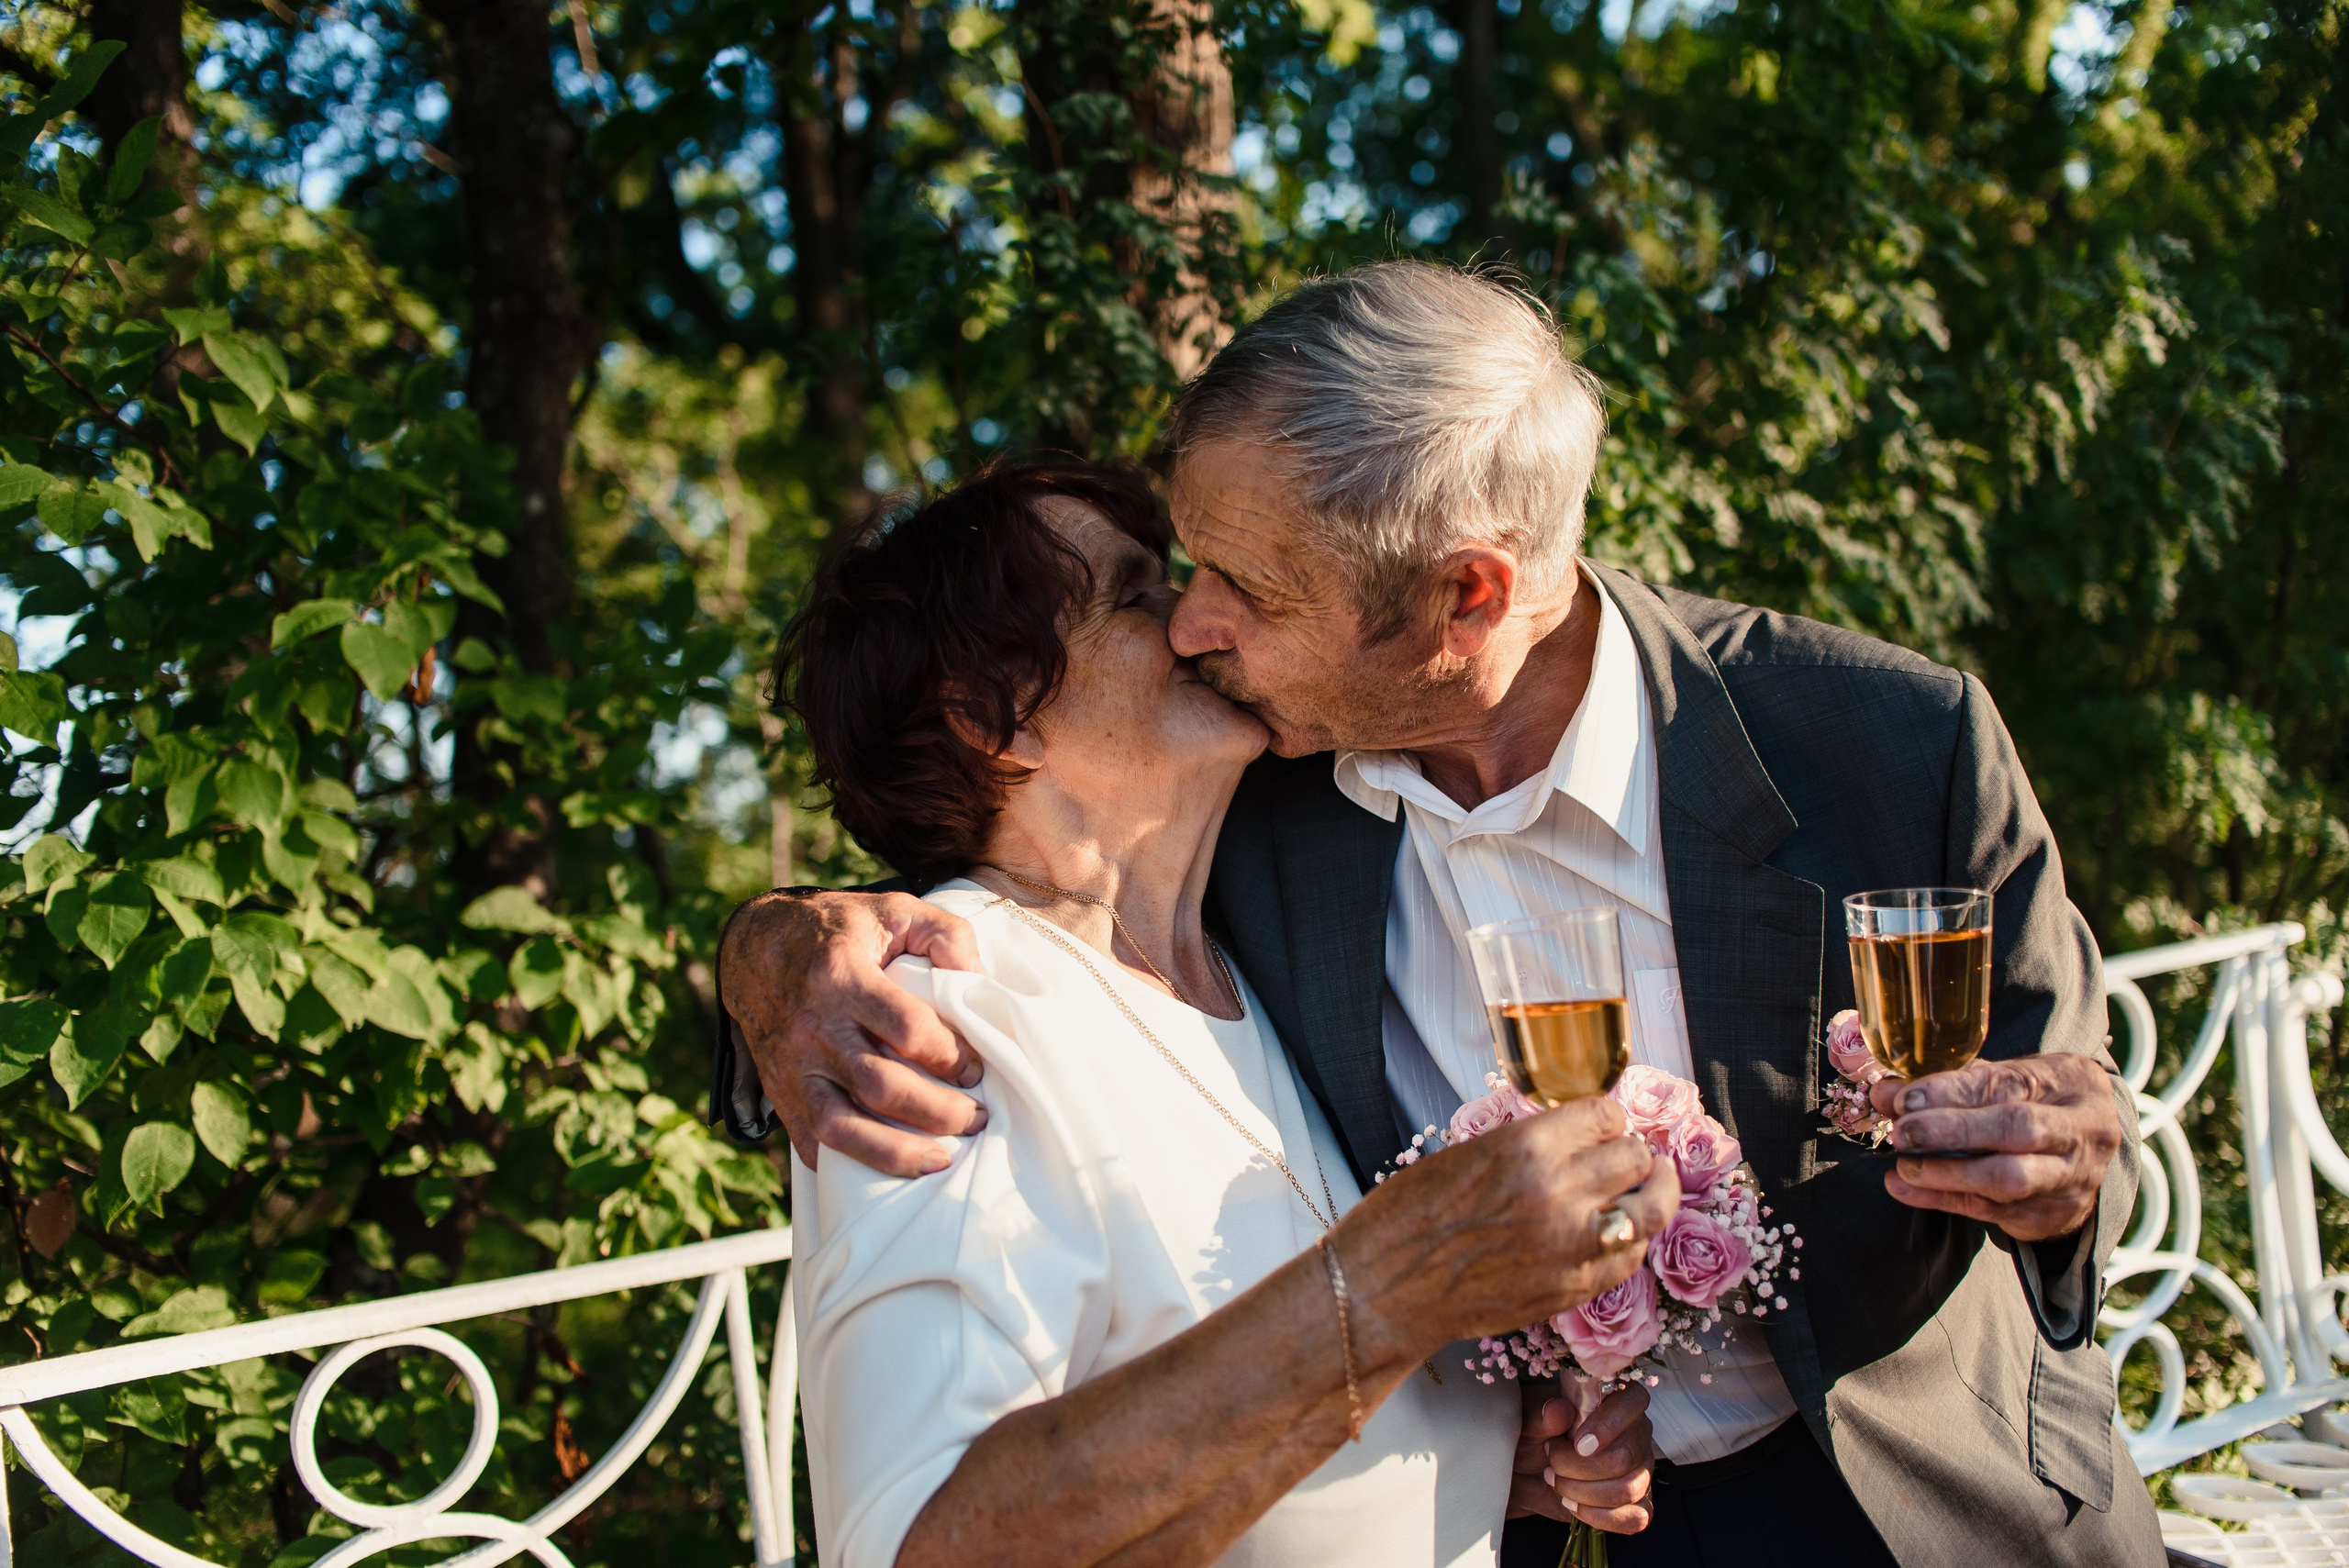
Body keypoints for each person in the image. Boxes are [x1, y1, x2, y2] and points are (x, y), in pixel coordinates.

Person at [719, 262, 2166, 1567]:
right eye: (1177, 573)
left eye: (1243, 586)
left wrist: (2072, 1164)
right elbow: (998, 910)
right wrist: (769, 957)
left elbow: (2071, 1123)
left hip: (1918, 1505)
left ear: (1467, 596)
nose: (1196, 627)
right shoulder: (1259, 786)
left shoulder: (1888, 743)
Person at [764, 456, 1682, 1568]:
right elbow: (924, 1541)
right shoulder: (937, 1018)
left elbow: (1271, 1392)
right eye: (1139, 595)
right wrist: (1389, 1286)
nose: (1202, 621)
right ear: (995, 715)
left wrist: (1485, 1458)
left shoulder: (1251, 964)